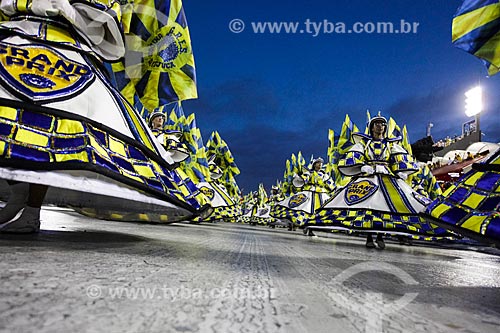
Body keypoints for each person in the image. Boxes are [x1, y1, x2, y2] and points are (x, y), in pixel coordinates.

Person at [0, 0, 209, 233]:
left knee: (56, 139)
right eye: (156, 118)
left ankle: (32, 210)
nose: (159, 120)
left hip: (68, 44)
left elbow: (104, 14)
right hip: (17, 33)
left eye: (161, 118)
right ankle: (18, 196)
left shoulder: (171, 134)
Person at [316, 113, 454, 249]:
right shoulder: (364, 144)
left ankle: (380, 235)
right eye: (377, 124)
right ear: (371, 127)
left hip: (387, 178)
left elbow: (399, 158)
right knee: (368, 206)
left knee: (385, 205)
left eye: (383, 124)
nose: (380, 126)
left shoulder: (390, 145)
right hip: (368, 177)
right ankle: (369, 237)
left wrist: (401, 172)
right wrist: (363, 166)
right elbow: (353, 157)